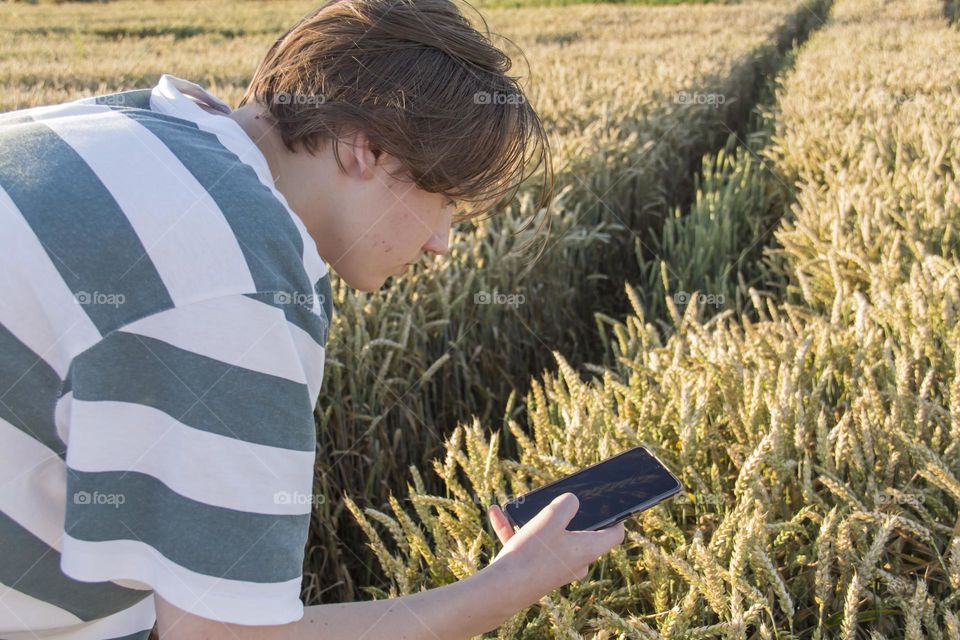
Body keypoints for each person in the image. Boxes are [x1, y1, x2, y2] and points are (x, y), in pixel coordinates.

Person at [0, 0, 624, 637]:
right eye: (445, 200)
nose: (443, 242)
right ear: (367, 149)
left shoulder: (132, 122)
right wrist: (507, 587)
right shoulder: (237, 282)